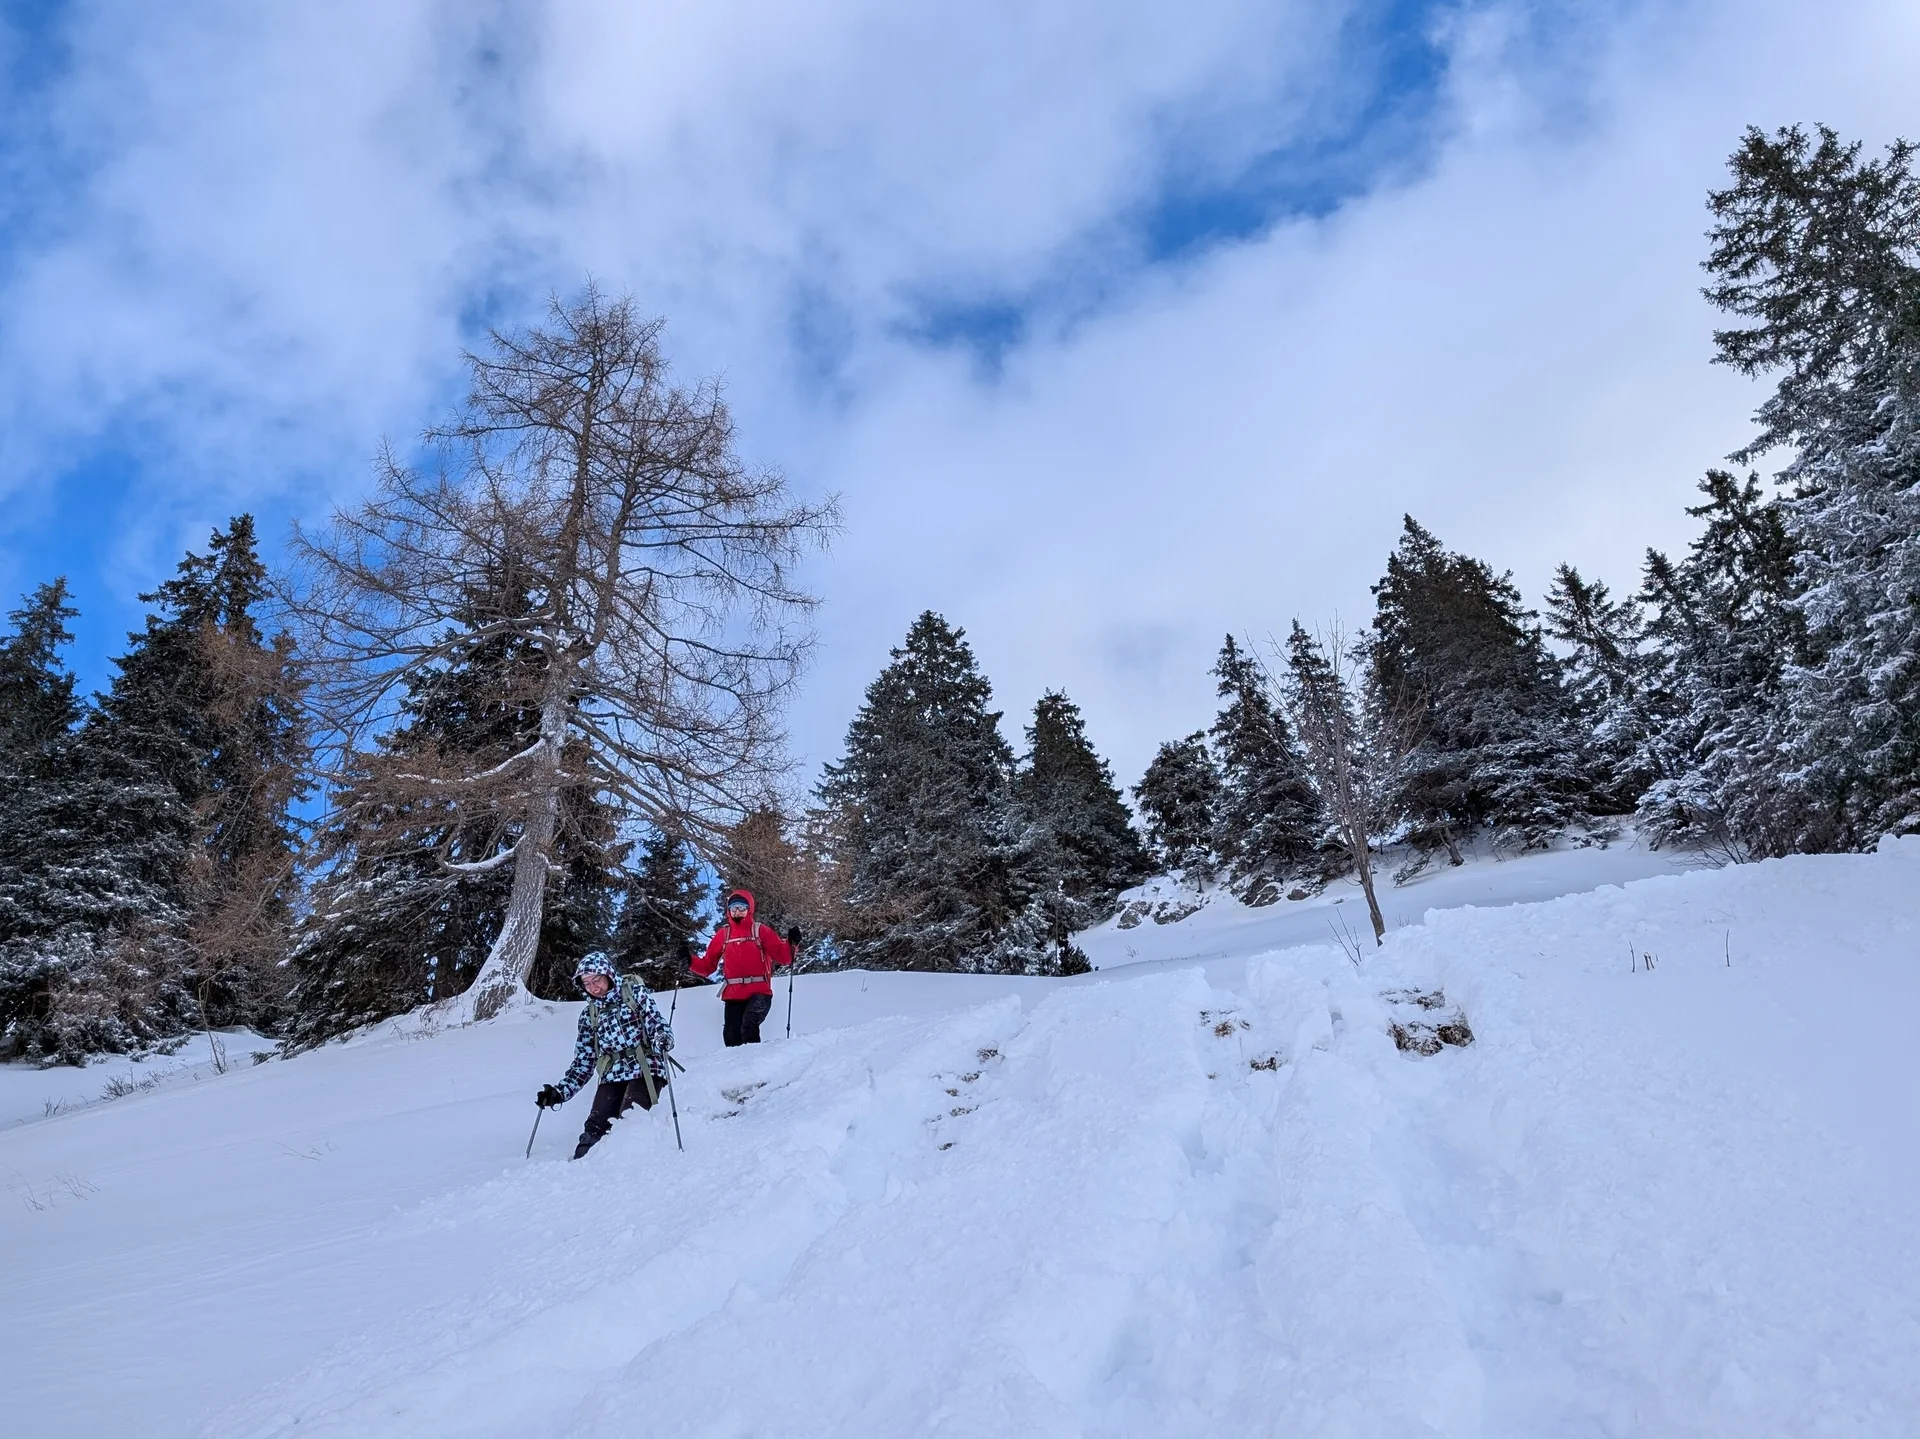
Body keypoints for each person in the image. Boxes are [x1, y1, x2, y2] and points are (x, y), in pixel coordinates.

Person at [535, 952, 675, 1159]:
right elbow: (583, 1062)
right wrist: (559, 1093)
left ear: (608, 975)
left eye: (597, 980)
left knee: (631, 1119)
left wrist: (663, 1038)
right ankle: (581, 1171)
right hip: (613, 1073)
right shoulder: (588, 1015)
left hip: (647, 1066)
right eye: (587, 983)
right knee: (594, 1127)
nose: (593, 987)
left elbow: (657, 1024)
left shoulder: (636, 994)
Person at [690, 888, 798, 1046]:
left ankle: (754, 1065)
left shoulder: (760, 931)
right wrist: (689, 961)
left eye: (742, 908)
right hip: (733, 994)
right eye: (733, 908)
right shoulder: (724, 935)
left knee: (748, 1026)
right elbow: (707, 966)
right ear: (729, 911)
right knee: (731, 1035)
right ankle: (736, 1069)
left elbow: (784, 956)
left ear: (750, 909)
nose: (738, 912)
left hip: (760, 993)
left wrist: (791, 943)